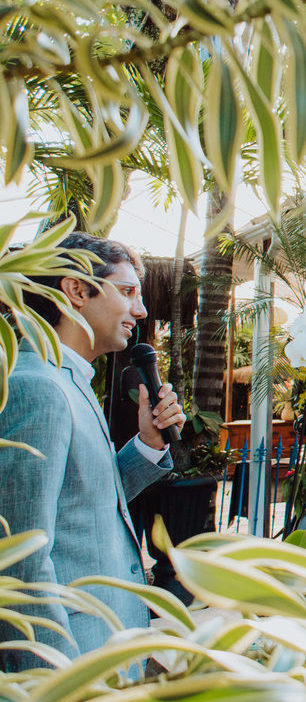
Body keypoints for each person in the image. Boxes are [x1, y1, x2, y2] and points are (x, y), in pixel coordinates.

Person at [0, 233, 186, 671]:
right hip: (75, 661)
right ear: (77, 290)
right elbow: (21, 563)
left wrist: (147, 445)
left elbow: (79, 502)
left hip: (105, 648)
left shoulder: (69, 381)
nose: (140, 312)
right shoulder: (38, 388)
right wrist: (59, 680)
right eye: (127, 292)